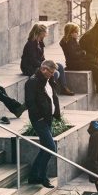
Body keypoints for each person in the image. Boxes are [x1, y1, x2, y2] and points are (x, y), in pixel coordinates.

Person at [25, 60, 62, 188]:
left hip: (48, 118)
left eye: (53, 73)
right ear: (43, 69)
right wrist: (39, 118)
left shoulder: (48, 80)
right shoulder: (33, 81)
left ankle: (33, 176)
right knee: (50, 148)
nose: (52, 75)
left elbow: (52, 97)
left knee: (45, 148)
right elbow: (30, 102)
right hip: (39, 120)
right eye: (50, 72)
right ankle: (42, 177)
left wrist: (56, 113)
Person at [60, 22, 98, 97]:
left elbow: (79, 52)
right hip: (73, 64)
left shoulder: (73, 40)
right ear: (71, 33)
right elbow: (74, 55)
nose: (77, 34)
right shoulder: (67, 42)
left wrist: (83, 53)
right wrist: (83, 52)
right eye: (76, 32)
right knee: (95, 67)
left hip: (78, 61)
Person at [20, 24, 73, 96]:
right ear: (40, 33)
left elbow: (42, 57)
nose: (46, 34)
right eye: (45, 32)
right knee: (55, 73)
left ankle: (63, 88)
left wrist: (48, 63)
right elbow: (33, 61)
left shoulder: (40, 42)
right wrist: (46, 67)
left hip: (39, 64)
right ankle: (48, 91)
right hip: (29, 67)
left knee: (59, 66)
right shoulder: (31, 44)